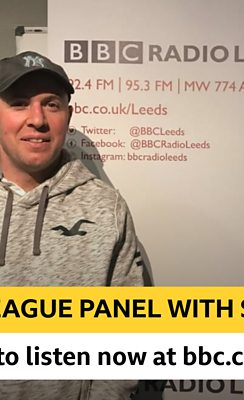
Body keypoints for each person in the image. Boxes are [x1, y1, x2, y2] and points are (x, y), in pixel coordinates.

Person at [0, 51, 144, 398]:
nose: (38, 119)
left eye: (51, 104)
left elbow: (128, 330)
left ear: (68, 115)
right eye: (20, 103)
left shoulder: (107, 208)